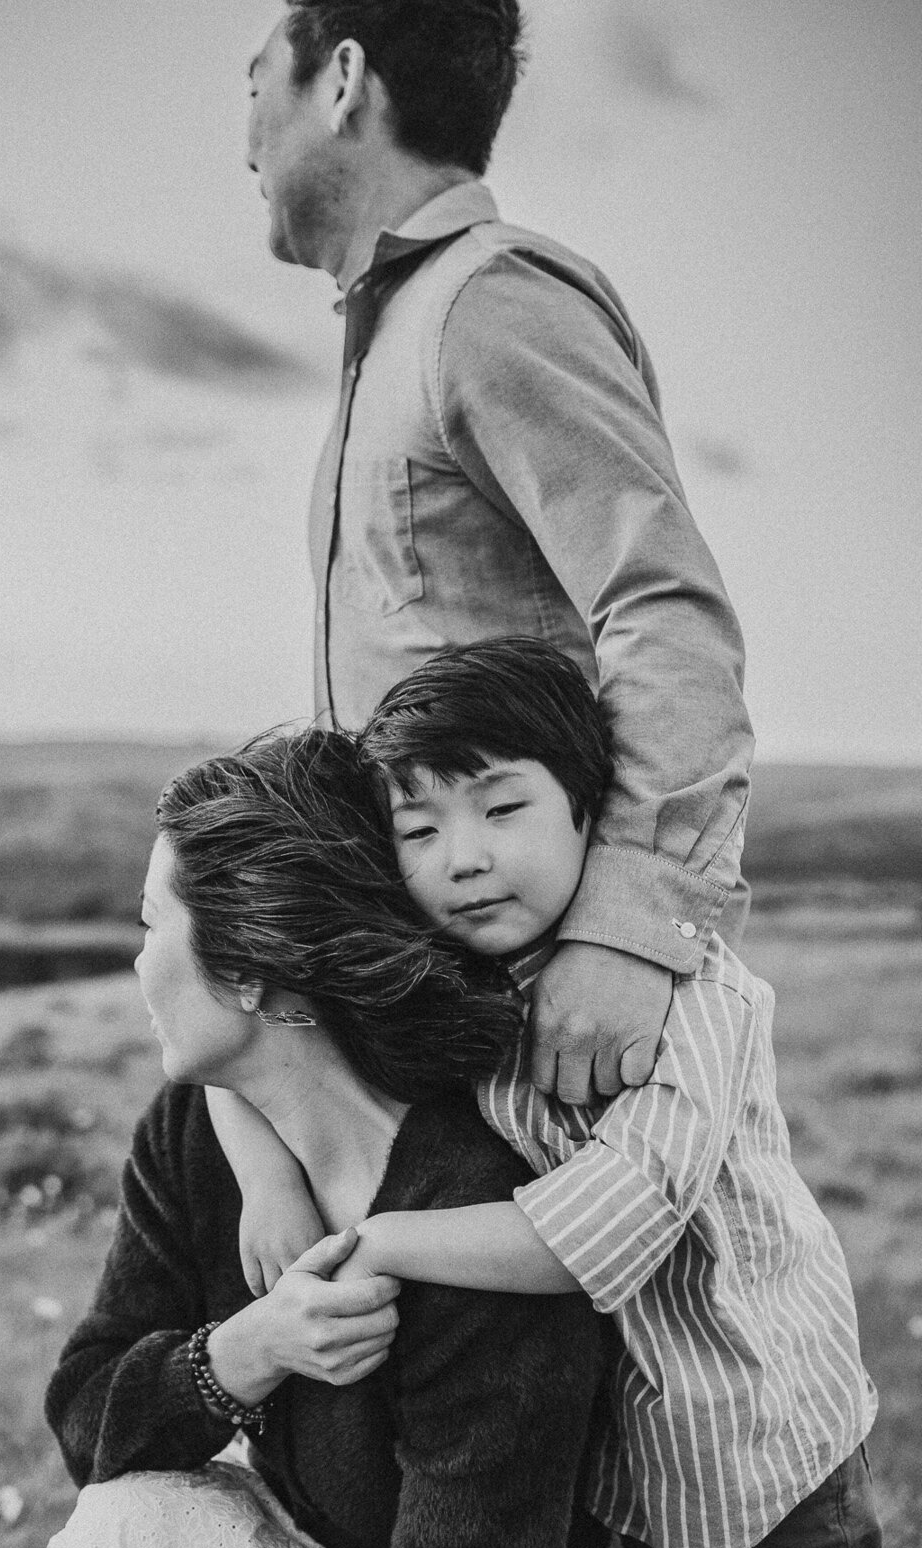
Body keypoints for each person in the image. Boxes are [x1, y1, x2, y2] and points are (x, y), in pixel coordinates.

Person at [228, 639, 895, 1548]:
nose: (466, 858)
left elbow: (603, 1232)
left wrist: (375, 1241)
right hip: (634, 1474)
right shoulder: (458, 985)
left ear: (591, 812)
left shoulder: (695, 994)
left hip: (768, 1448)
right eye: (421, 830)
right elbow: (237, 1037)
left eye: (502, 807)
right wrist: (266, 1180)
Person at [28, 729, 731, 1548]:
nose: (135, 961)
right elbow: (88, 1419)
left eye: (150, 925)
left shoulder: (476, 1223)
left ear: (256, 973)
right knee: (119, 1537)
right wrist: (242, 1353)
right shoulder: (192, 1136)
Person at [244, 0, 754, 1113]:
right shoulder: (395, 338)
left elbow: (665, 606)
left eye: (254, 89)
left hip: (559, 1010)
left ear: (341, 81)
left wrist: (630, 929)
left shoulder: (490, 302)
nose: (245, 140)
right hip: (445, 1002)